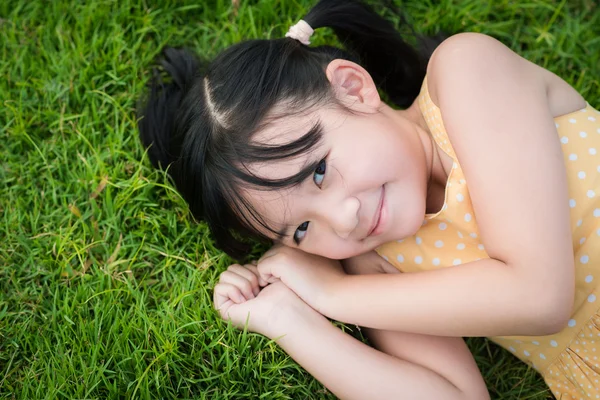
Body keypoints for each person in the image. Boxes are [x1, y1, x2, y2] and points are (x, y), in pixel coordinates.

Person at [137, 0, 600, 398]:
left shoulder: (467, 73)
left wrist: (333, 293)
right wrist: (288, 317)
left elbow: (540, 296)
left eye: (318, 171)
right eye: (300, 230)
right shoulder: (375, 264)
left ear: (353, 89)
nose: (343, 221)